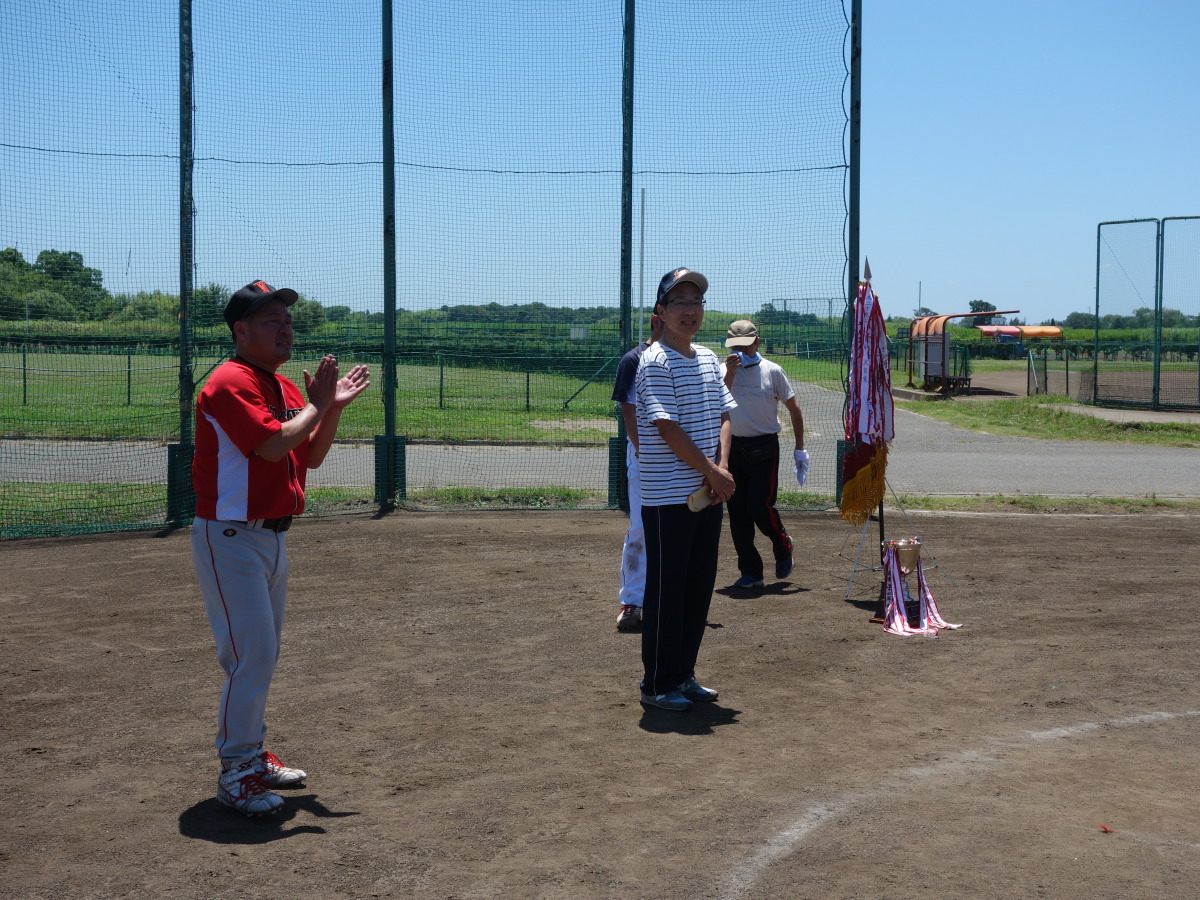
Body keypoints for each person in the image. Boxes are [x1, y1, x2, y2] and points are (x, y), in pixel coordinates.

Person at [190, 280, 370, 816]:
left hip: (270, 536)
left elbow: (307, 455)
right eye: (272, 321)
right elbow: (271, 447)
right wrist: (317, 405)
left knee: (261, 655)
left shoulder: (285, 386)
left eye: (287, 320)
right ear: (241, 331)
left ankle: (251, 754)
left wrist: (329, 408)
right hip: (230, 536)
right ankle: (236, 771)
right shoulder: (230, 381)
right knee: (251, 656)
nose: (286, 329)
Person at [634, 267, 736, 711]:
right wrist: (713, 471)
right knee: (666, 591)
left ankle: (684, 674)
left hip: (709, 493)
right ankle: (658, 683)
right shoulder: (654, 362)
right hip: (668, 498)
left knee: (698, 587)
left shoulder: (710, 359)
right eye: (680, 302)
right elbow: (667, 428)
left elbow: (725, 415)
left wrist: (722, 469)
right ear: (661, 311)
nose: (690, 310)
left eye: (696, 302)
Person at [720, 320, 808, 588]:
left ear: (757, 342)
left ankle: (782, 544)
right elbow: (716, 402)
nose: (740, 352)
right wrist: (730, 374)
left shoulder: (773, 371)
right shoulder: (723, 370)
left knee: (759, 506)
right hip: (732, 446)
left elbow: (794, 408)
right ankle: (751, 571)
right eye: (735, 346)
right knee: (737, 512)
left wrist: (800, 448)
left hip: (764, 446)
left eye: (745, 346)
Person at [612, 313, 664, 632]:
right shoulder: (634, 359)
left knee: (678, 529)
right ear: (658, 318)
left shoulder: (689, 357)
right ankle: (632, 600)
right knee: (641, 528)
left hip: (683, 456)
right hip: (646, 455)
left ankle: (669, 600)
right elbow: (627, 408)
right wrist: (642, 447)